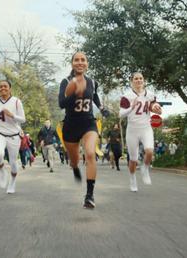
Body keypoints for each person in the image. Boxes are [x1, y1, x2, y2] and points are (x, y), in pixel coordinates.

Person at [58, 51, 109, 209]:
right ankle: (74, 167)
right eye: (76, 60)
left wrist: (101, 107)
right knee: (75, 160)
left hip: (88, 123)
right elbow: (61, 104)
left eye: (83, 60)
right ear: (72, 63)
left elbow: (94, 96)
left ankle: (89, 195)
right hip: (71, 125)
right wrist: (74, 91)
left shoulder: (92, 81)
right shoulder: (66, 81)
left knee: (90, 153)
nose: (80, 62)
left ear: (87, 63)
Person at [119, 72, 162, 192]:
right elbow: (121, 114)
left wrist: (157, 108)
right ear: (132, 81)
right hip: (132, 130)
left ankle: (145, 168)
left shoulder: (150, 94)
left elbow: (154, 105)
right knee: (133, 159)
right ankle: (132, 179)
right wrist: (131, 107)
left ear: (144, 80)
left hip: (146, 128)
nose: (138, 80)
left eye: (140, 78)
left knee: (149, 151)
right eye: (136, 79)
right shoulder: (127, 96)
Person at [0, 79, 26, 194]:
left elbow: (23, 119)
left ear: (10, 88)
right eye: (1, 86)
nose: (3, 88)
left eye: (5, 86)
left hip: (13, 134)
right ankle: (2, 170)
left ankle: (12, 182)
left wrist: (12, 115)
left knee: (13, 162)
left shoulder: (16, 102)